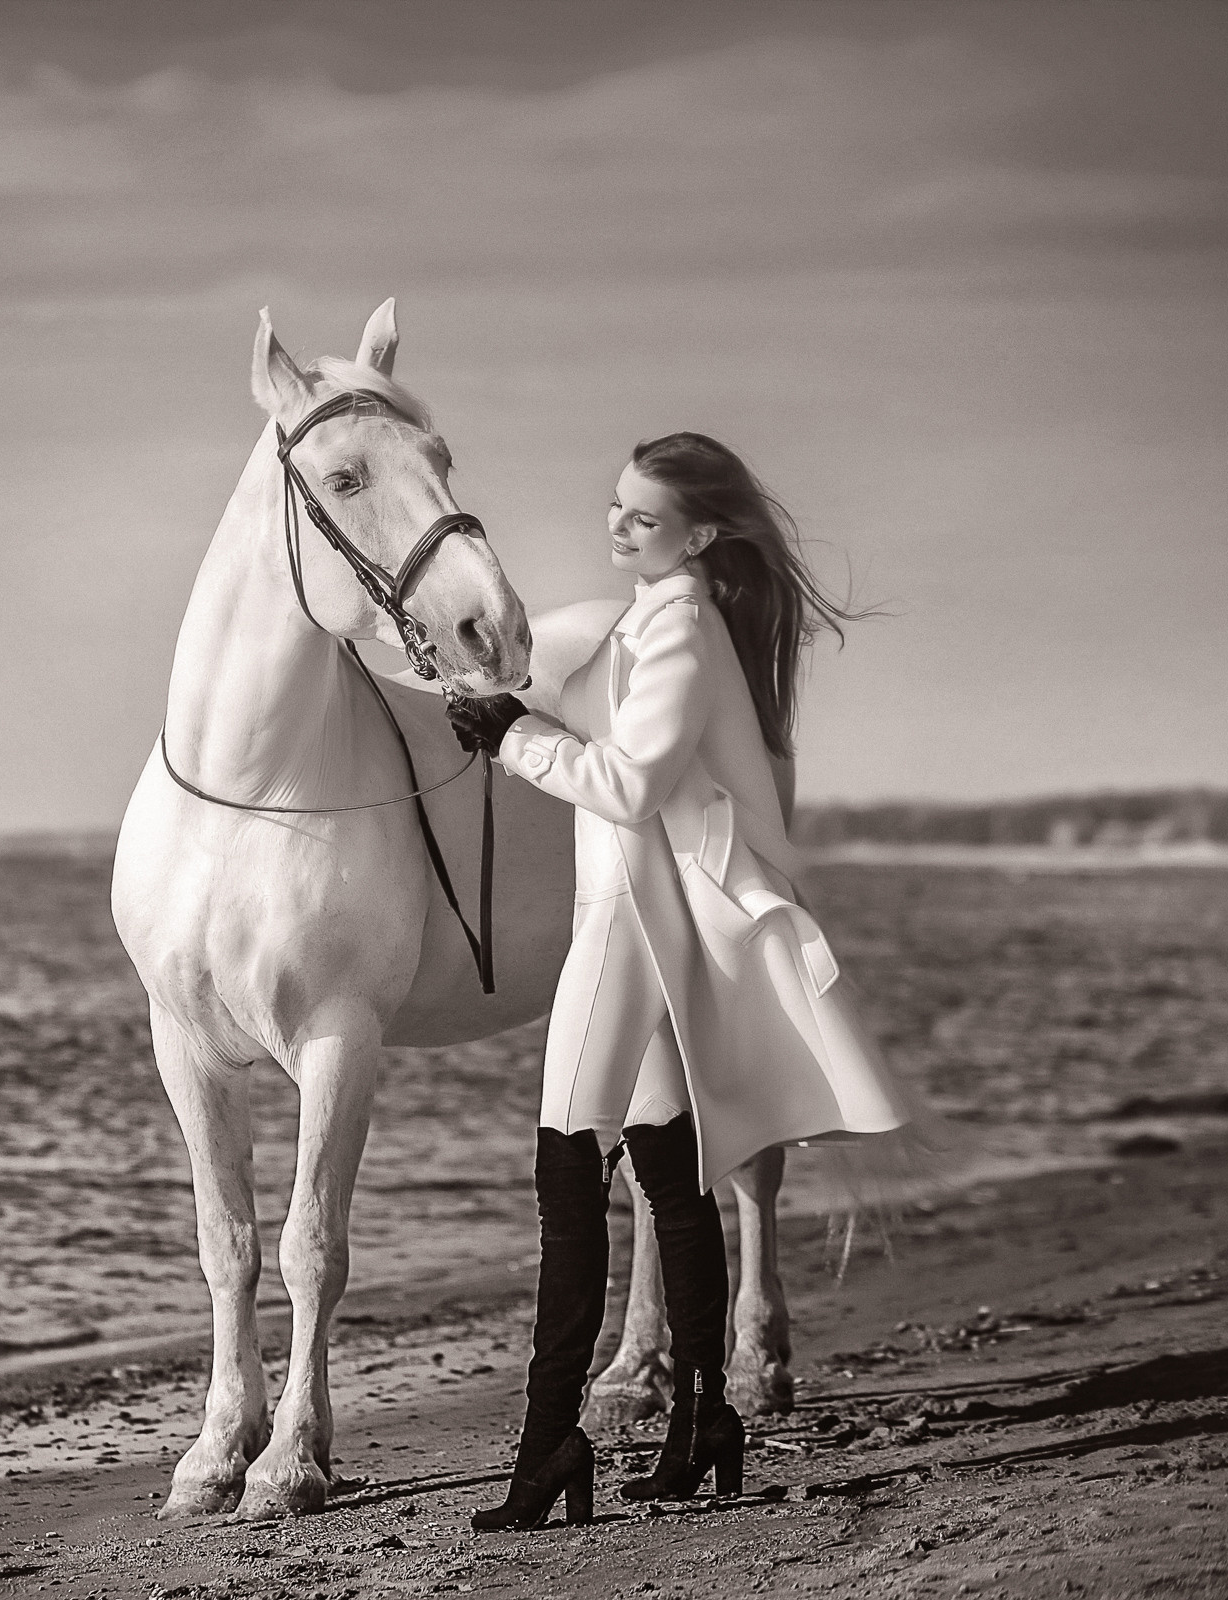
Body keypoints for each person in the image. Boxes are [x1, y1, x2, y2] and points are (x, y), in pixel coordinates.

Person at [445, 432, 924, 1531]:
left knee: (569, 1175)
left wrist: (517, 739)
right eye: (614, 506)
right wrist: (489, 683)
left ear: (701, 534)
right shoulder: (647, 617)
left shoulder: (681, 630)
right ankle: (706, 1419)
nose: (616, 526)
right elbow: (522, 660)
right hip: (644, 921)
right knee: (666, 1169)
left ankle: (547, 1446)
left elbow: (631, 781)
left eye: (643, 517)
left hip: (625, 920)